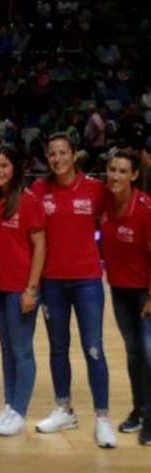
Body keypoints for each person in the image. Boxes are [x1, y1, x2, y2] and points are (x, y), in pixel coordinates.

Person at [30, 133, 117, 448]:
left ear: (74, 155)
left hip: (88, 282)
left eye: (62, 153)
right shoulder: (39, 190)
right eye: (52, 154)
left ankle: (103, 417)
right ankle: (64, 407)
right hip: (52, 282)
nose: (57, 159)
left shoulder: (95, 189)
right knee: (57, 348)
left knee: (93, 349)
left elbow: (118, 216)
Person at [0, 145, 46, 436]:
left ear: (17, 168)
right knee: (7, 349)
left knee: (22, 351)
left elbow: (40, 247)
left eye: (4, 166)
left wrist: (31, 289)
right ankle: (9, 405)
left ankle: (20, 411)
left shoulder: (29, 200)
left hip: (19, 288)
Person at [99, 150, 151, 445]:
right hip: (120, 290)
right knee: (134, 354)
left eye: (122, 171)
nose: (115, 176)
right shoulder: (105, 205)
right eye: (112, 170)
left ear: (134, 175)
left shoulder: (145, 208)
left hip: (146, 292)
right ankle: (139, 409)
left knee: (149, 353)